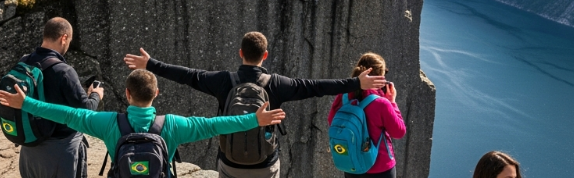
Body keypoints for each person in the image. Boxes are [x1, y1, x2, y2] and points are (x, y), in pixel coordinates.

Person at [124, 31, 387, 178]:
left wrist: (151, 64)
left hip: (230, 163)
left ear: (240, 53)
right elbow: (317, 86)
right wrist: (356, 83)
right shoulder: (279, 84)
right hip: (265, 164)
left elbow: (188, 75)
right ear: (265, 55)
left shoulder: (222, 81)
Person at [0, 69, 287, 178]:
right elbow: (216, 125)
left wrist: (27, 104)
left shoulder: (107, 123)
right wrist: (254, 119)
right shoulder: (173, 125)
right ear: (157, 93)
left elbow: (67, 115)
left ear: (127, 94)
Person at [15, 17, 102, 178]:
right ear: (64, 38)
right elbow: (86, 110)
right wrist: (96, 94)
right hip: (60, 151)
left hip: (30, 148)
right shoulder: (64, 71)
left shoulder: (25, 61)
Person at [327, 53, 406, 178]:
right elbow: (399, 132)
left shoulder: (343, 97)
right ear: (379, 77)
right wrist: (392, 102)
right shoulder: (381, 104)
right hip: (380, 168)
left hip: (352, 164)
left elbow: (332, 121)